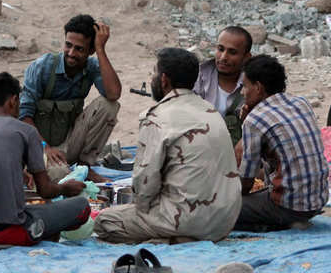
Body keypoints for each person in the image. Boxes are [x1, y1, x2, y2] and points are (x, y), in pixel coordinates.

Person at [94, 48, 241, 243]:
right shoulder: (210, 110)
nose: (152, 78)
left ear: (164, 80)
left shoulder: (156, 117)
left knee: (105, 221)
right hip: (224, 222)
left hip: (187, 220)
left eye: (154, 73)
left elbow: (144, 189)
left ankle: (174, 239)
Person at [0, 72, 90, 246]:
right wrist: (65, 188)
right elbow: (45, 191)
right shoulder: (26, 131)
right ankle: (41, 233)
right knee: (81, 206)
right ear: (12, 101)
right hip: (11, 232)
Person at [19, 15, 121, 182]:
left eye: (80, 49)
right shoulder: (42, 67)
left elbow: (114, 94)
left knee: (108, 105)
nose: (71, 53)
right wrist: (45, 148)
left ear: (90, 51)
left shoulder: (92, 66)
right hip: (39, 147)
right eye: (68, 45)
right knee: (59, 176)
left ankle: (84, 167)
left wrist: (101, 50)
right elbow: (24, 116)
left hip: (68, 145)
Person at [233, 55, 329, 232]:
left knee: (221, 211)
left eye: (245, 86)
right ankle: (284, 220)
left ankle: (276, 222)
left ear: (258, 88)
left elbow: (245, 183)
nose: (242, 92)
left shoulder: (255, 120)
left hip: (290, 206)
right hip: (317, 201)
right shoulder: (301, 102)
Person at [193, 26, 253, 145]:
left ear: (246, 57)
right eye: (220, 49)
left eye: (232, 52)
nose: (223, 57)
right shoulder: (197, 77)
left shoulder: (253, 85)